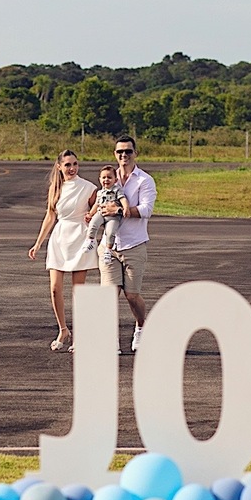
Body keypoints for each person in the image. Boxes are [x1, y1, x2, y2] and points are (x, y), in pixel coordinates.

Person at [29, 150, 98, 352]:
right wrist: (38, 243)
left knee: (78, 290)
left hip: (80, 237)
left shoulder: (88, 187)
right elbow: (50, 216)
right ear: (59, 166)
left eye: (75, 164)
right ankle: (63, 330)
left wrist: (91, 217)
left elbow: (98, 208)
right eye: (67, 165)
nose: (72, 168)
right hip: (60, 238)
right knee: (54, 288)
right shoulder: (55, 187)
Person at [97, 135, 156, 353]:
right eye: (120, 151)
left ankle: (141, 327)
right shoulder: (108, 178)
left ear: (135, 153)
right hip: (109, 247)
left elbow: (146, 210)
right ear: (115, 154)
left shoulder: (144, 181)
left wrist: (119, 210)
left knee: (132, 295)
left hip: (134, 244)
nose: (124, 155)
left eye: (128, 151)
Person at [81, 165, 132, 263]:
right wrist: (90, 214)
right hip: (101, 212)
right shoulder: (100, 192)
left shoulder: (117, 190)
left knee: (110, 232)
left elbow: (123, 199)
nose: (106, 180)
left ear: (115, 180)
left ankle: (108, 250)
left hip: (113, 216)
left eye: (109, 177)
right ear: (100, 179)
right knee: (93, 224)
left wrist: (126, 208)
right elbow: (96, 204)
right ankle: (90, 240)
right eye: (103, 177)